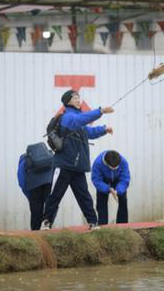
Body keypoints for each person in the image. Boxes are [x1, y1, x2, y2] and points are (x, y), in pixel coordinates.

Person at [40, 90, 114, 230]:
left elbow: (89, 132)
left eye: (79, 97)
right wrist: (101, 111)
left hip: (77, 166)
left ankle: (93, 223)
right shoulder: (67, 117)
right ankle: (46, 222)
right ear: (67, 101)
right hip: (63, 165)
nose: (79, 100)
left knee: (84, 197)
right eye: (75, 97)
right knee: (55, 196)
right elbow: (80, 120)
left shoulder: (78, 118)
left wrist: (104, 130)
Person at [91, 150, 131, 225]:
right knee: (101, 203)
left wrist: (118, 190)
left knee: (123, 200)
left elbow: (125, 179)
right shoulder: (97, 163)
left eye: (116, 168)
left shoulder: (123, 162)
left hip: (118, 180)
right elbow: (96, 179)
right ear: (106, 164)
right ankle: (103, 225)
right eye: (112, 168)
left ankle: (122, 225)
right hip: (103, 181)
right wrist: (107, 188)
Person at [17, 152, 54, 230]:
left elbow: (22, 181)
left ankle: (35, 232)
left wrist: (29, 197)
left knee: (36, 210)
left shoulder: (23, 161)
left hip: (34, 184)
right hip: (49, 181)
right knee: (50, 206)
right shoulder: (48, 157)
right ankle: (47, 227)